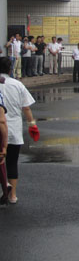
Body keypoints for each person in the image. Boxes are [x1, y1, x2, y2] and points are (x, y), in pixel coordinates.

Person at [0, 56, 38, 204]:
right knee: (12, 162)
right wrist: (32, 124)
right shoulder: (17, 85)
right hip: (14, 129)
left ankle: (4, 188)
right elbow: (26, 107)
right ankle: (13, 195)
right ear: (10, 69)